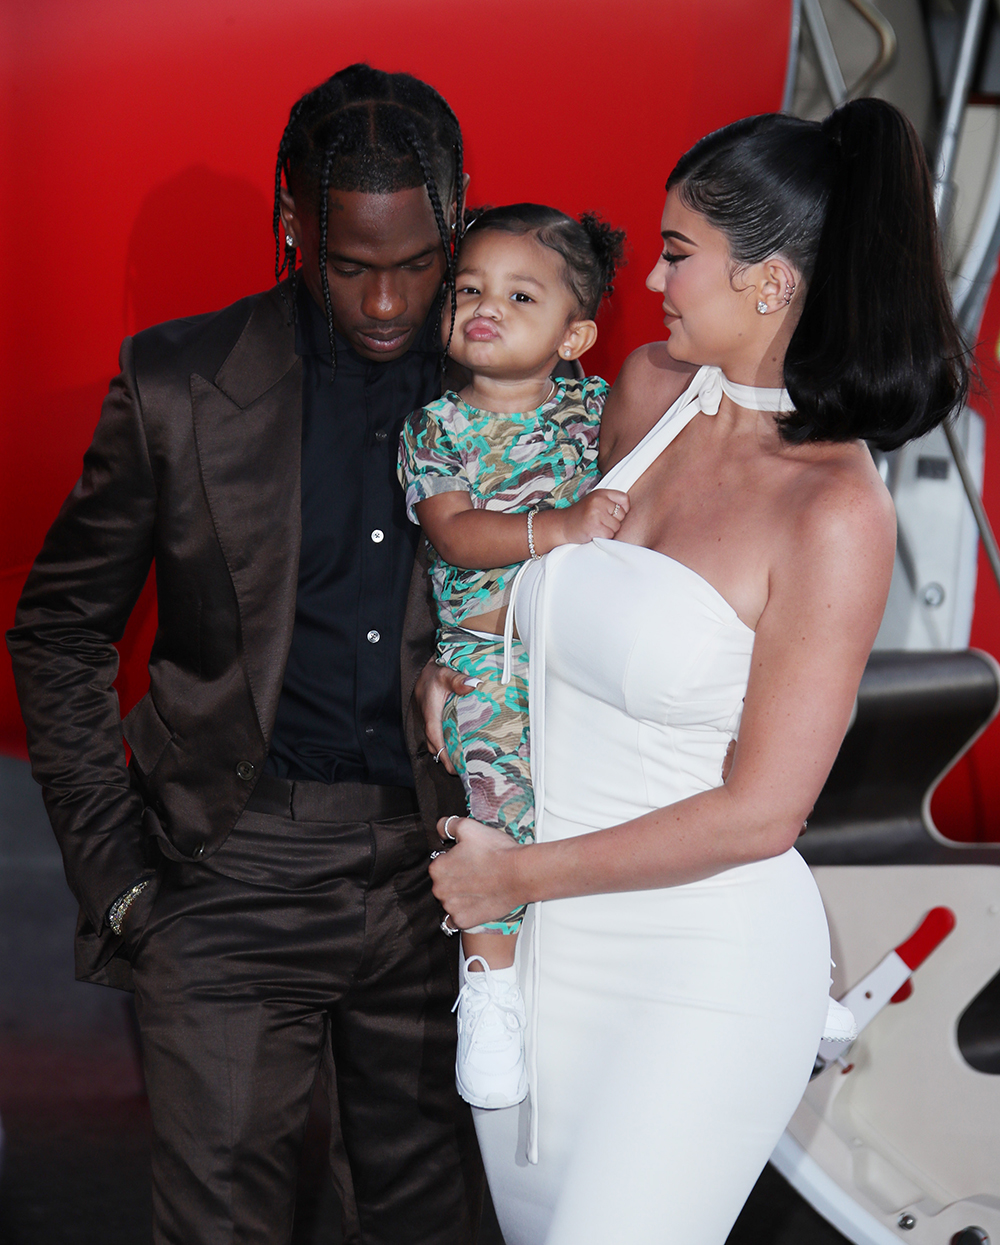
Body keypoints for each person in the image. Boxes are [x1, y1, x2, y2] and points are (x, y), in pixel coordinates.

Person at [427, 99, 968, 1245]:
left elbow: (761, 812)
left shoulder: (834, 509)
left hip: (696, 968)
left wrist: (516, 875)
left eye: (678, 253)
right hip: (537, 963)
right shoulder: (642, 392)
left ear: (770, 280)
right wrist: (455, 668)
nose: (654, 281)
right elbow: (526, 571)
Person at [7, 64, 484, 1245]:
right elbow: (60, 629)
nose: (384, 305)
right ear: (289, 224)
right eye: (349, 265)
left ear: (460, 219)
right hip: (233, 874)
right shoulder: (174, 384)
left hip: (454, 881)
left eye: (416, 264)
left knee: (432, 1225)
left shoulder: (517, 394)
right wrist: (114, 871)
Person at [398, 204, 628, 1110]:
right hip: (486, 665)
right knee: (492, 812)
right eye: (468, 289)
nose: (484, 307)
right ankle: (490, 984)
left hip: (586, 668)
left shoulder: (597, 408)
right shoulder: (436, 428)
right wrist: (558, 527)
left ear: (575, 334)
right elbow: (454, 533)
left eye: (519, 294)